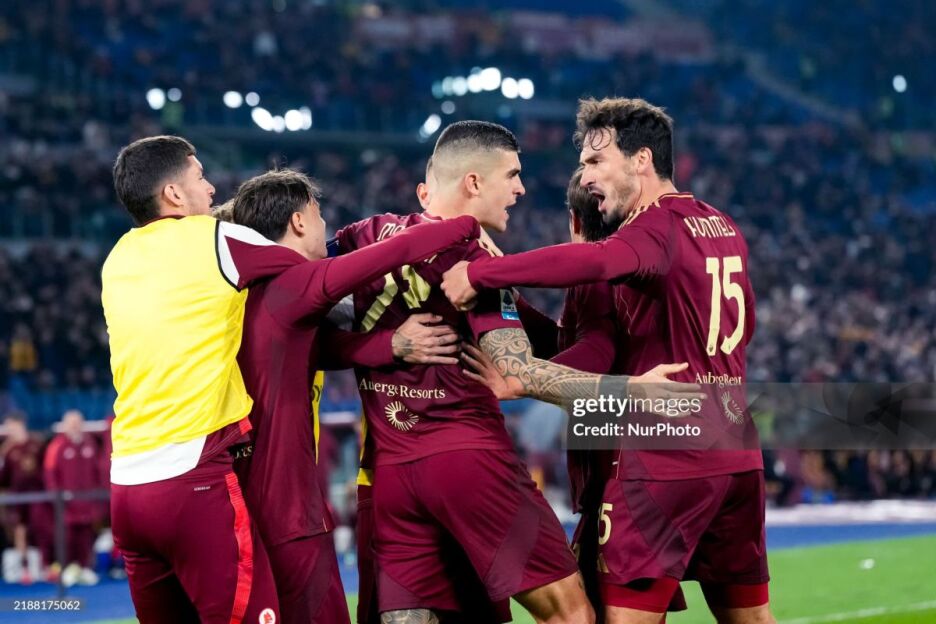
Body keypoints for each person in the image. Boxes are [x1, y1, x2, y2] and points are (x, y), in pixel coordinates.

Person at [337, 120, 697, 624]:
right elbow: (517, 372)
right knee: (571, 614)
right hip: (470, 463)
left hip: (392, 473)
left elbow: (298, 295)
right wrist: (631, 389)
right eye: (512, 175)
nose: (521, 189)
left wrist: (377, 345)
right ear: (474, 182)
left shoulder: (366, 235)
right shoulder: (472, 259)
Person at [441, 98, 773, 624]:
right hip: (736, 452)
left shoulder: (653, 228)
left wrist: (483, 274)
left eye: (596, 161)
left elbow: (597, 265)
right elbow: (744, 327)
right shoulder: (721, 225)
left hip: (665, 456)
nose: (588, 176)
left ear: (641, 159)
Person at [228, 168, 480, 624]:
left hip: (241, 501)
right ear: (299, 221)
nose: (325, 225)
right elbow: (397, 250)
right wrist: (472, 225)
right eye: (318, 214)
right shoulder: (294, 283)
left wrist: (389, 345)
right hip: (288, 511)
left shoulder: (246, 296)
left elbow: (317, 350)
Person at [104, 135, 308, 624]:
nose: (212, 188)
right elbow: (312, 276)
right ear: (174, 194)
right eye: (200, 177)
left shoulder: (117, 259)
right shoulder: (214, 238)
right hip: (191, 480)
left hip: (125, 487)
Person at [43, 409, 103, 587]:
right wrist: (56, 497)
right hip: (66, 504)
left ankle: (85, 568)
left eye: (78, 423)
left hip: (87, 502)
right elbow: (50, 473)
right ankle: (66, 569)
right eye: (72, 423)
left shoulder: (90, 444)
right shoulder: (57, 446)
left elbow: (98, 471)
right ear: (65, 425)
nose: (75, 426)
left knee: (87, 536)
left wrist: (97, 494)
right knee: (67, 538)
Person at [0, 412, 47, 582]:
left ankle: (44, 565)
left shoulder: (36, 444)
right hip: (18, 497)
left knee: (40, 529)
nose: (10, 430)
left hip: (38, 496)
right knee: (20, 530)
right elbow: (3, 477)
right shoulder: (8, 449)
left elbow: (45, 469)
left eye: (11, 426)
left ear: (20, 424)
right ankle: (24, 568)